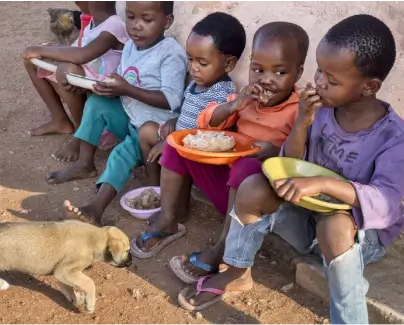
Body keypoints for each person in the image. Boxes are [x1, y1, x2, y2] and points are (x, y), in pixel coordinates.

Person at [176, 14, 404, 325]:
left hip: (358, 236)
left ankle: (350, 319)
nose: (319, 83)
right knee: (253, 186)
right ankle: (236, 271)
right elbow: (292, 162)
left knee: (335, 224)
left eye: (332, 79)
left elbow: (385, 200)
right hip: (307, 219)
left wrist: (322, 184)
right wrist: (302, 121)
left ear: (370, 86)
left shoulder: (394, 136)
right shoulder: (323, 111)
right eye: (319, 71)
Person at [130, 22, 310, 277]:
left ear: (298, 72)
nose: (266, 80)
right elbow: (207, 121)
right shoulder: (247, 97)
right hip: (225, 185)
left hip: (258, 199)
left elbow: (298, 160)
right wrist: (235, 105)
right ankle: (169, 219)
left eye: (279, 73)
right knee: (177, 143)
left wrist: (272, 150)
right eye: (258, 69)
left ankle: (224, 246)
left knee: (247, 166)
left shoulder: (299, 110)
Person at [51, 0, 188, 224]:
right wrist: (107, 88)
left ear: (167, 21)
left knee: (120, 155)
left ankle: (96, 209)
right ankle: (85, 163)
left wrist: (126, 89)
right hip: (128, 113)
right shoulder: (132, 46)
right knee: (96, 103)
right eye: (131, 17)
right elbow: (124, 81)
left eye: (147, 19)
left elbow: (171, 100)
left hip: (150, 128)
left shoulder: (170, 54)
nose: (136, 26)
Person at [138, 12, 246, 185]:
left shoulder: (224, 93)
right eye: (190, 59)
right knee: (146, 131)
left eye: (202, 63)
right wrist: (175, 120)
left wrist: (170, 143)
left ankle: (174, 200)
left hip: (198, 151)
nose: (193, 67)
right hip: (178, 139)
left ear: (228, 64)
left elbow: (211, 135)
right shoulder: (195, 83)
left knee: (172, 154)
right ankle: (155, 186)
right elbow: (187, 113)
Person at [22, 0, 128, 161]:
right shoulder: (94, 22)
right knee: (32, 62)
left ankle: (82, 135)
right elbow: (78, 50)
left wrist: (40, 50)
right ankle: (60, 120)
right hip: (87, 86)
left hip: (103, 96)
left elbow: (82, 55)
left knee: (67, 70)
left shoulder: (115, 25)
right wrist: (49, 49)